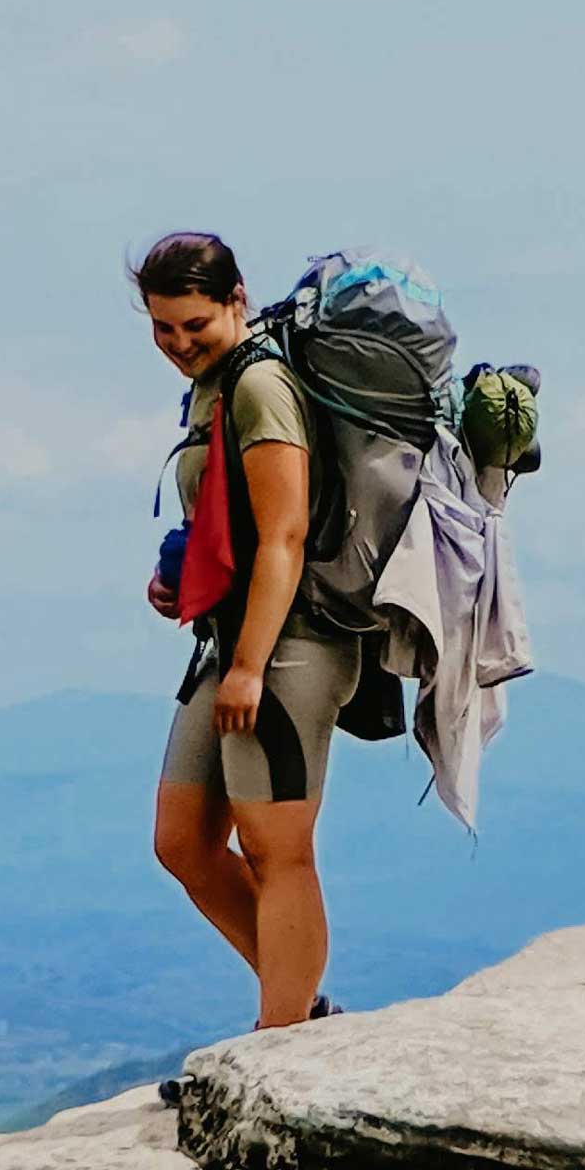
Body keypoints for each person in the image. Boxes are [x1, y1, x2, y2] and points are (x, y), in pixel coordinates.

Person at [135, 231, 357, 1039]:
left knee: (277, 848)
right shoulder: (213, 385)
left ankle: (281, 1044)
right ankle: (296, 1004)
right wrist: (181, 583)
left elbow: (285, 535)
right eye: (163, 329)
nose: (179, 344)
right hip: (228, 642)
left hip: (289, 645)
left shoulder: (261, 384)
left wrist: (252, 667)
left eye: (194, 324)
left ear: (236, 299)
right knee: (183, 841)